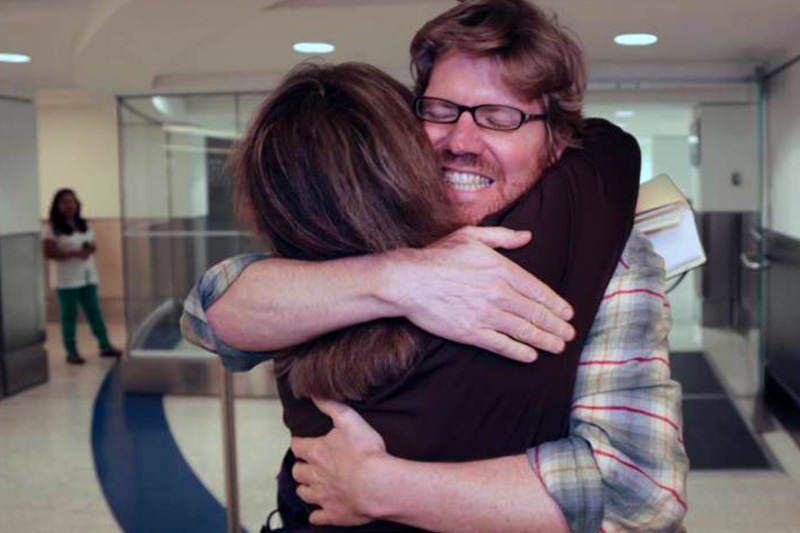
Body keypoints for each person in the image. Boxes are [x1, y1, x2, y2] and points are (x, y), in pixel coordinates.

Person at [182, 1, 688, 531]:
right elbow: (205, 315)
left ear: (557, 142)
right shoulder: (376, 229)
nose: (461, 144)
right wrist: (400, 278)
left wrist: (378, 486)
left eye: (500, 118)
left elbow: (641, 494)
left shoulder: (615, 257)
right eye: (441, 111)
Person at [43, 188, 122, 365]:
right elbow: (49, 253)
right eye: (64, 202)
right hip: (66, 280)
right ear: (57, 206)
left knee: (95, 312)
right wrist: (73, 253)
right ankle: (71, 352)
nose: (69, 205)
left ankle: (105, 345)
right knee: (69, 317)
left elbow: (92, 244)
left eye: (72, 201)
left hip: (87, 276)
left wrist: (89, 249)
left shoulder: (84, 224)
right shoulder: (51, 228)